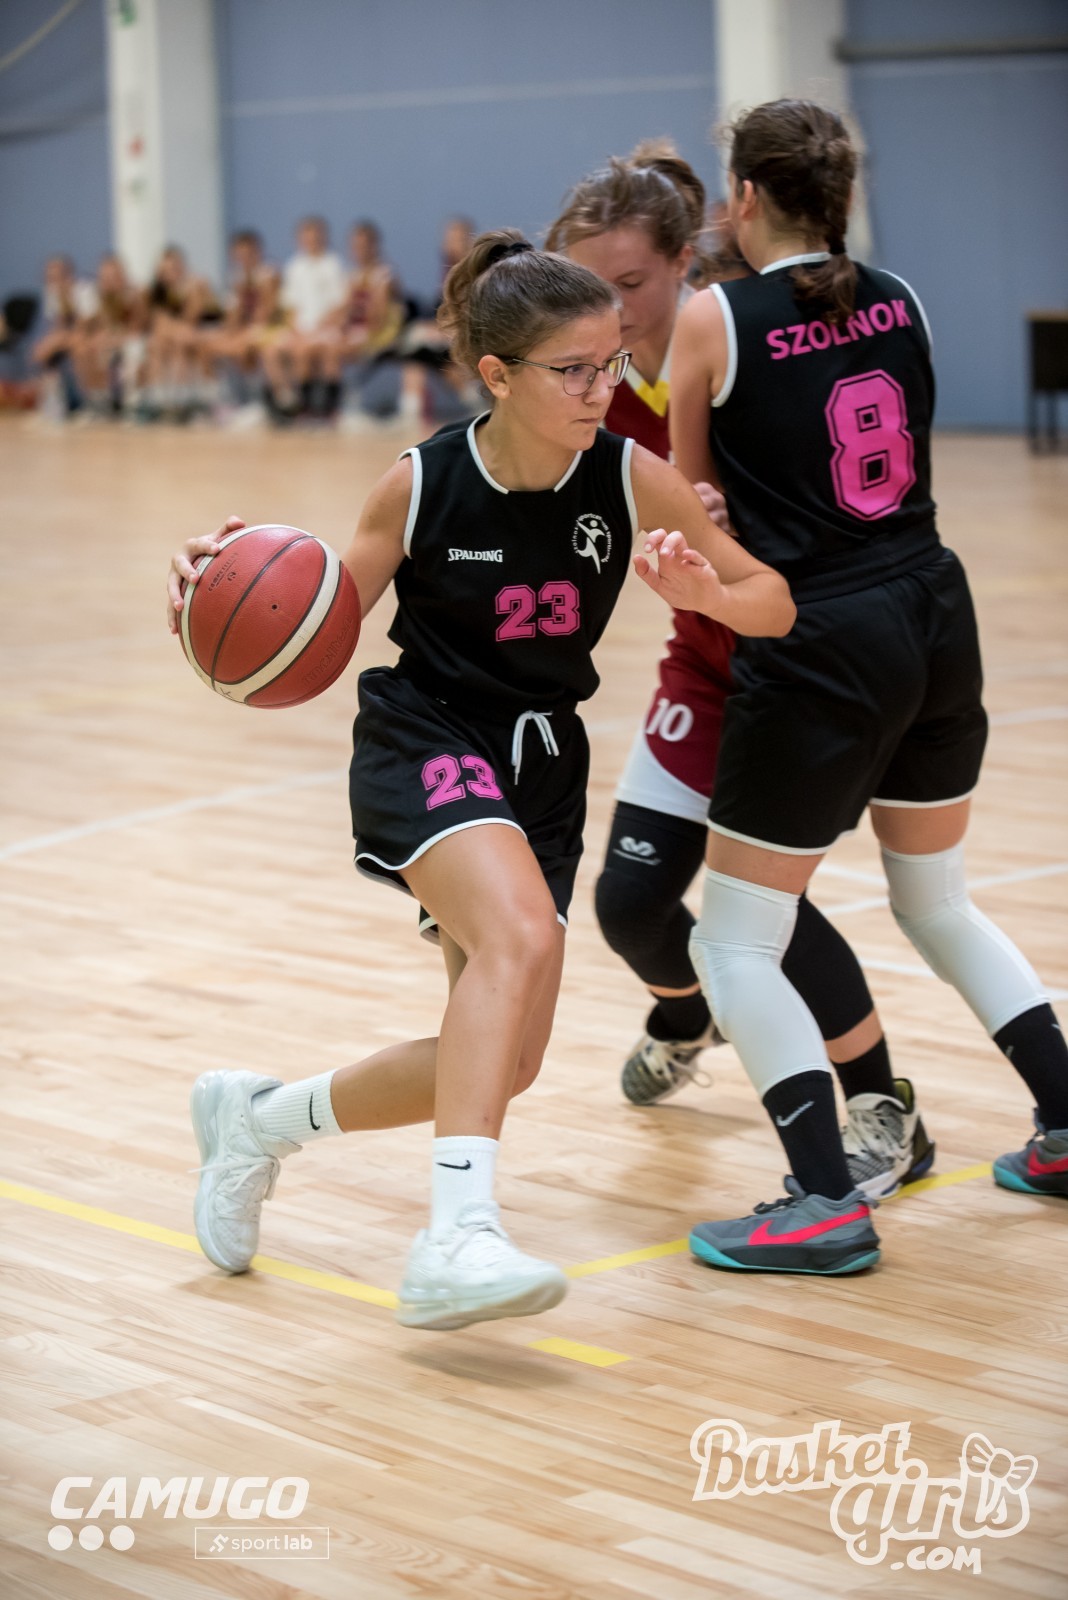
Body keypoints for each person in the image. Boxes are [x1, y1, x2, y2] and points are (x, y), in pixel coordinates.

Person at [165, 229, 794, 1331]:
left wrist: (705, 591)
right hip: (427, 736)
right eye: (574, 370)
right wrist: (218, 581)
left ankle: (257, 1123)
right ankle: (454, 1238)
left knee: (504, 1063)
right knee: (522, 938)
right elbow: (312, 621)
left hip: (541, 763)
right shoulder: (421, 484)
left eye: (611, 362)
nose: (603, 388)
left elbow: (772, 602)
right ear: (497, 375)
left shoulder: (630, 476)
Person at [662, 98, 1068, 1274]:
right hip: (934, 609)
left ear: (744, 197)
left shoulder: (711, 317)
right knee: (936, 900)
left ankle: (823, 1197)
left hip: (821, 635)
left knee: (734, 938)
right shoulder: (902, 297)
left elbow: (694, 504)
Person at [547, 139, 929, 1201]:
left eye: (630, 284)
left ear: (684, 266)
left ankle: (883, 1103)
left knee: (759, 912)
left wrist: (733, 506)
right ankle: (687, 1017)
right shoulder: (590, 384)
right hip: (701, 665)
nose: (610, 311)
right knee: (630, 902)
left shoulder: (745, 346)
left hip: (789, 665)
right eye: (589, 290)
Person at [263, 217, 347, 419]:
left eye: (316, 237)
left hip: (325, 329)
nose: (312, 242)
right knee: (271, 351)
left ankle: (319, 409)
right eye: (307, 238)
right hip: (300, 329)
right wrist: (295, 329)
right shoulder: (295, 266)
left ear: (324, 238)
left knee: (305, 352)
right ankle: (286, 401)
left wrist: (318, 329)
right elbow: (289, 305)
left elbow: (341, 304)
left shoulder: (333, 264)